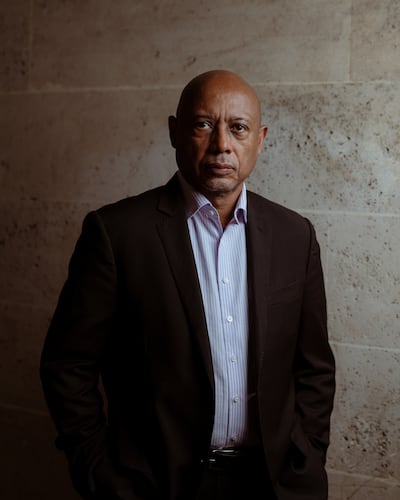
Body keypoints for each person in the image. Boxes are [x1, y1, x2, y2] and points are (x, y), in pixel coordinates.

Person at [40, 70, 336, 500]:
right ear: (175, 132)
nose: (221, 145)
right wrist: (98, 470)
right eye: (203, 124)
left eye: (238, 128)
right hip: (157, 485)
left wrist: (307, 456)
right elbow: (67, 365)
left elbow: (314, 367)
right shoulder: (116, 233)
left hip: (273, 482)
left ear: (260, 138)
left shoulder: (295, 235)